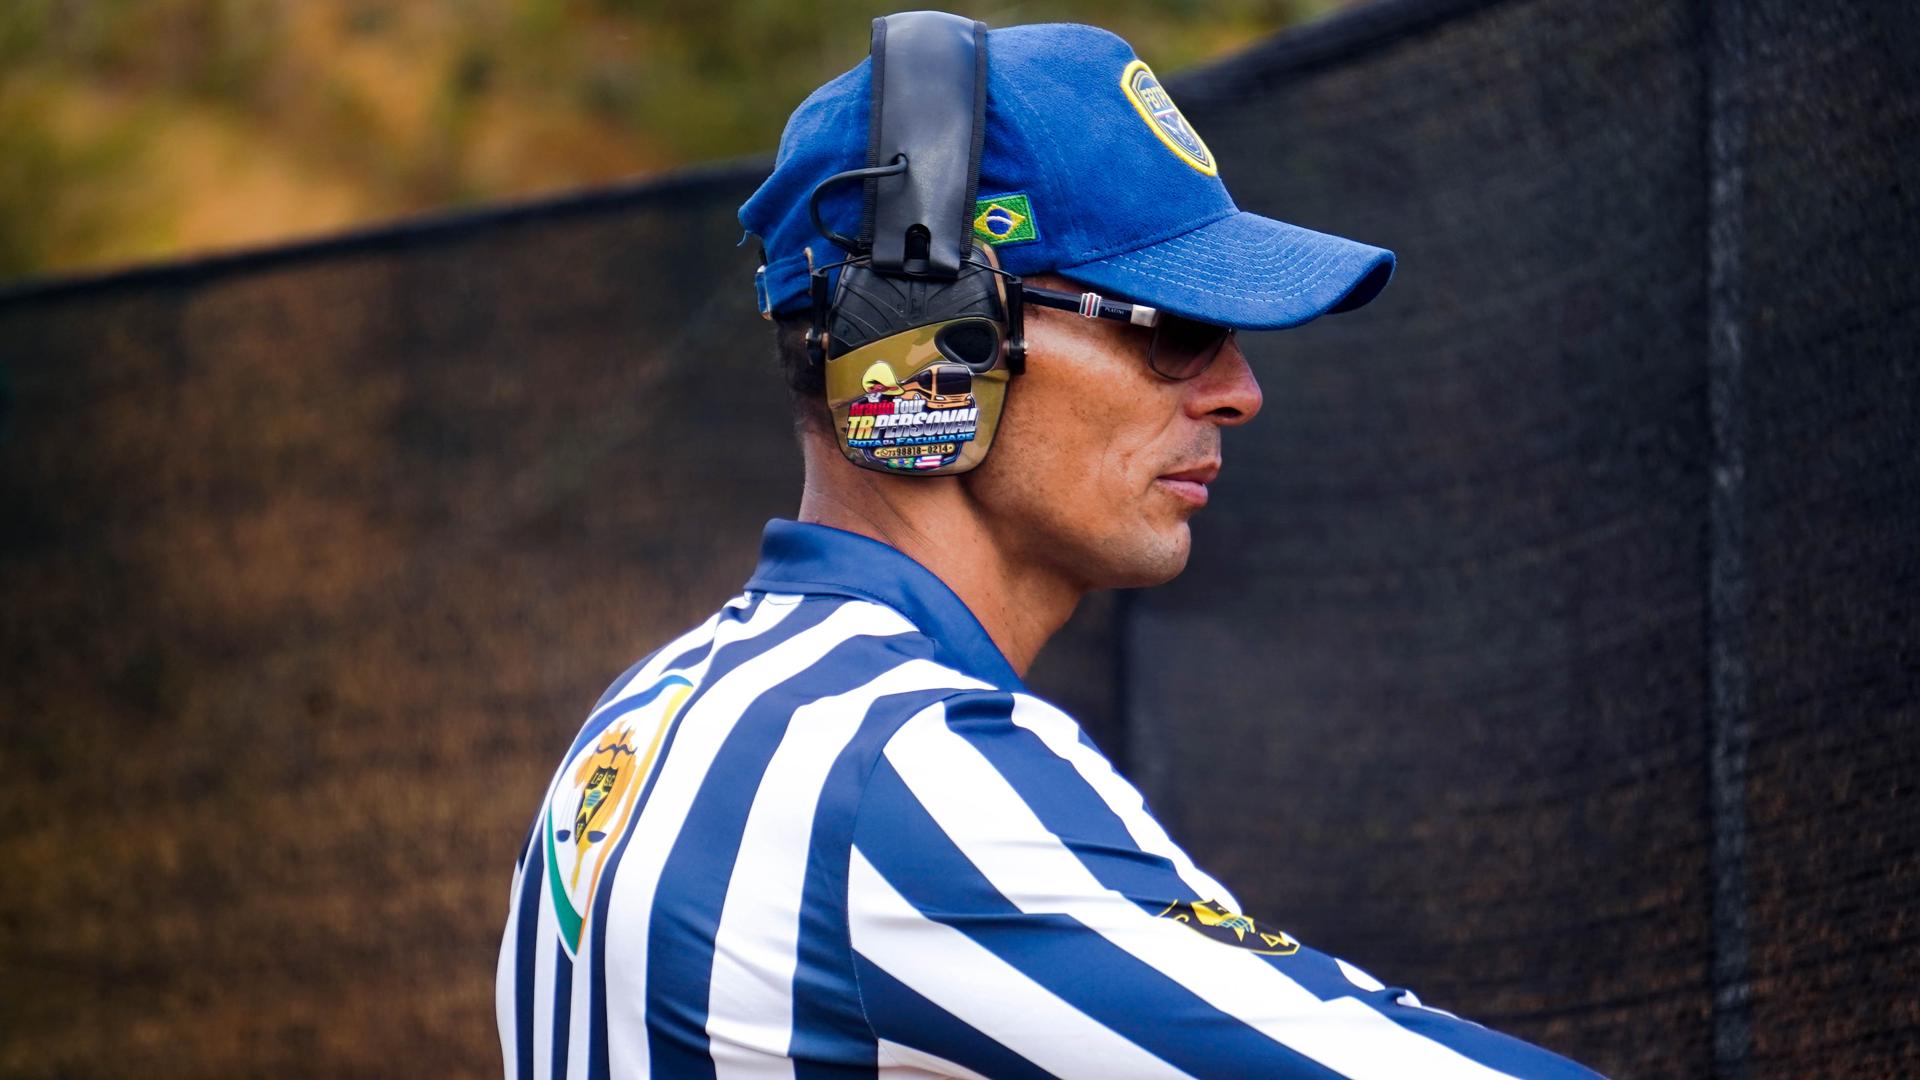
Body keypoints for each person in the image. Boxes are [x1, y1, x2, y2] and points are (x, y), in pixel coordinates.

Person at [497, 18, 1604, 1079]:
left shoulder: (641, 721)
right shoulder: (905, 767)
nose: (1239, 392)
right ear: (926, 338)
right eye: (1176, 328)